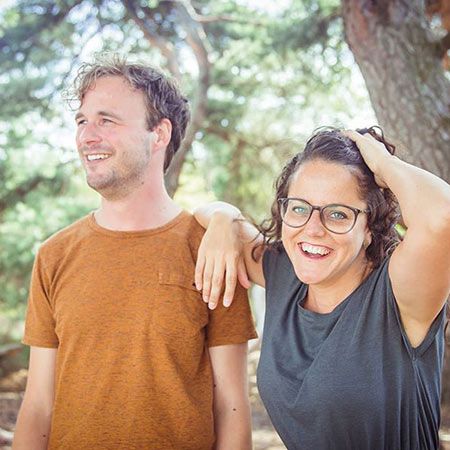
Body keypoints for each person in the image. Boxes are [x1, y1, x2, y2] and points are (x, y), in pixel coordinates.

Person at [13, 57, 257, 450]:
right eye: (81, 121)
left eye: (106, 120)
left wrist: (226, 217)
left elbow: (230, 406)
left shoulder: (211, 250)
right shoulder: (54, 255)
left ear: (159, 134)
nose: (86, 136)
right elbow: (39, 404)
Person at [194, 127, 450, 449]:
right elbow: (202, 211)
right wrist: (224, 219)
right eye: (299, 208)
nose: (313, 229)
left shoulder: (399, 294)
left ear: (369, 228)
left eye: (338, 214)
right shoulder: (283, 273)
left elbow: (442, 215)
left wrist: (384, 164)